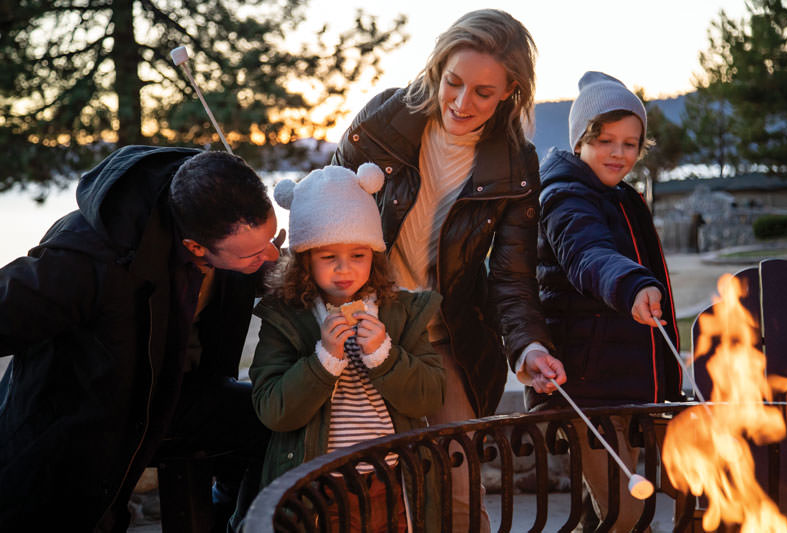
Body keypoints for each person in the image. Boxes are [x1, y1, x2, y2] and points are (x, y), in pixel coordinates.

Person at [331, 9, 565, 530]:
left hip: (443, 339)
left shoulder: (515, 163)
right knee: (366, 496)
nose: (462, 103)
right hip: (358, 328)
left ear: (510, 91)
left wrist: (529, 344)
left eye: (483, 92)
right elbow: (322, 216)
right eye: (453, 82)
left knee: (458, 495)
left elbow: (512, 276)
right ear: (437, 69)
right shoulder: (381, 122)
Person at [0, 146, 280, 532]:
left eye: (271, 238)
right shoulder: (89, 258)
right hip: (86, 418)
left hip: (175, 393)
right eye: (253, 254)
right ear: (195, 247)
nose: (270, 255)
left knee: (275, 418)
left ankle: (234, 521)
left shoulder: (218, 207)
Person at [249, 162, 446, 531]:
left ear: (376, 256)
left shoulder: (402, 312)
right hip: (319, 486)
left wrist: (384, 355)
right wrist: (323, 360)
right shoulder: (287, 319)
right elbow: (274, 410)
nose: (345, 269)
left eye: (359, 255)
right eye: (328, 257)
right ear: (305, 260)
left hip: (390, 479)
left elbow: (430, 397)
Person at [533, 71, 683, 532]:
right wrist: (633, 284)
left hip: (618, 386)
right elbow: (587, 254)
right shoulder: (565, 197)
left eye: (630, 143)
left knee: (611, 510)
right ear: (579, 141)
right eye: (605, 141)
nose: (619, 153)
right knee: (625, 514)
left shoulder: (618, 197)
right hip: (588, 386)